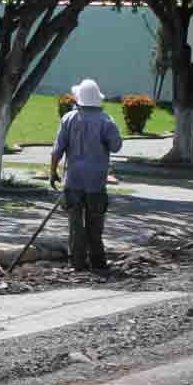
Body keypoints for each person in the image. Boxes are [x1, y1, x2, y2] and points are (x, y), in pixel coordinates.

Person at [50, 78, 122, 271]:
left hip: (72, 181)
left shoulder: (68, 118)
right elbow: (116, 146)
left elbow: (57, 150)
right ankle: (98, 263)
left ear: (78, 99)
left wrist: (52, 173)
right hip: (96, 183)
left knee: (75, 226)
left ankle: (77, 263)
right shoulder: (106, 120)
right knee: (95, 226)